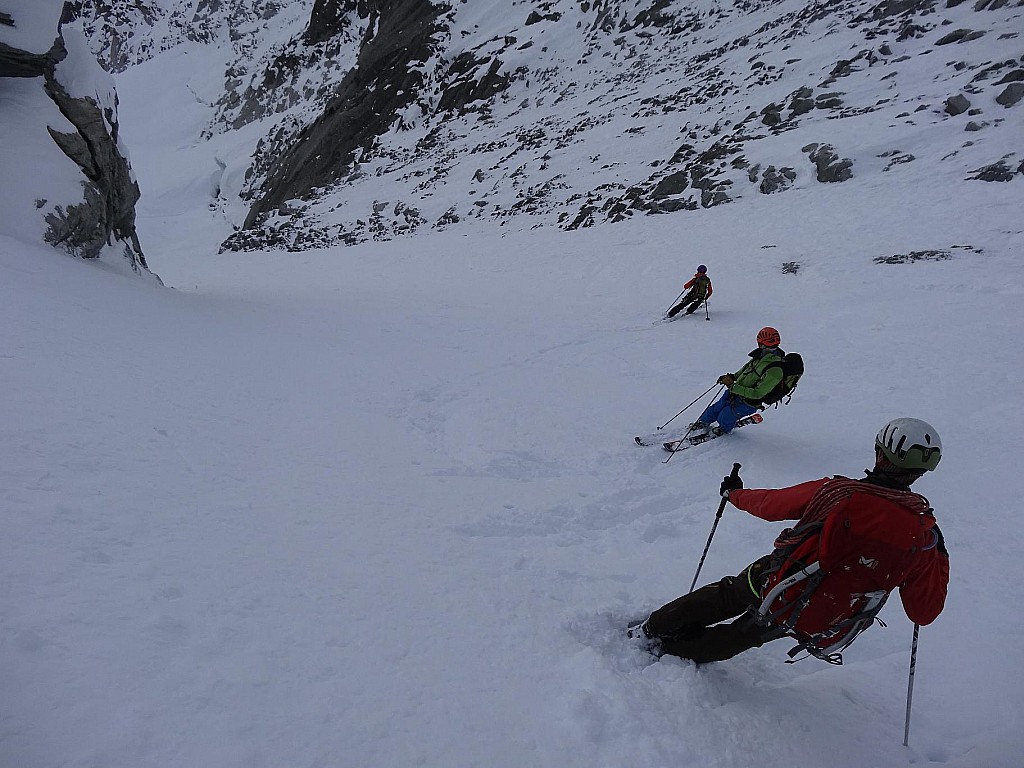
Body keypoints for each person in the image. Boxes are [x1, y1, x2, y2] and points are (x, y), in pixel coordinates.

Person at [628, 418, 948, 664]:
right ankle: (671, 653)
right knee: (746, 633)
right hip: (819, 614)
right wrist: (940, 554)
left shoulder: (837, 493)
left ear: (880, 454)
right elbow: (923, 612)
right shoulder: (922, 534)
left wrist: (735, 494)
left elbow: (771, 505)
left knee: (727, 596)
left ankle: (651, 631)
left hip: (779, 579)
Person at [690, 326, 784, 436]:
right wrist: (731, 377)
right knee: (716, 408)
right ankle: (703, 422)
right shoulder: (761, 356)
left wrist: (732, 385)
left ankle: (724, 429)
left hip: (748, 402)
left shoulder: (775, 369)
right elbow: (745, 371)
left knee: (725, 416)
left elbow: (758, 393)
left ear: (762, 343)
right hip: (734, 392)